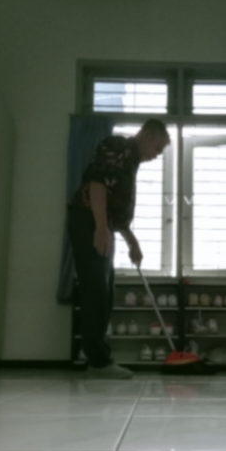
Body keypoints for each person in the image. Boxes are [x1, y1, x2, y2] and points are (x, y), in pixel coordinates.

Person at [68, 119, 170, 379]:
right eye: (157, 148)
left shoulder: (131, 160)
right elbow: (97, 184)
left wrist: (131, 240)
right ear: (147, 135)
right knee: (95, 290)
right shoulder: (118, 146)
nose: (157, 155)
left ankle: (97, 359)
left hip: (100, 223)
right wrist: (100, 227)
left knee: (105, 291)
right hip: (88, 221)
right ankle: (98, 362)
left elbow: (115, 206)